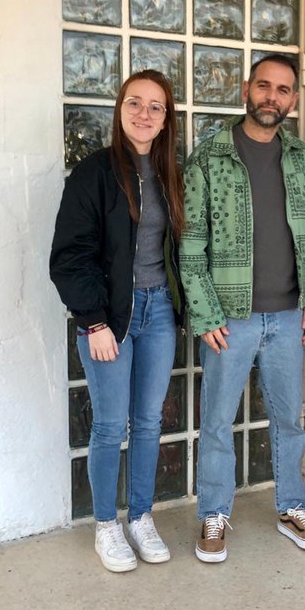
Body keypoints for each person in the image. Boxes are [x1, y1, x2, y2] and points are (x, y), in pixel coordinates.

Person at [180, 54, 305, 563]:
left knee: (289, 420)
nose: (272, 97)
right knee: (217, 421)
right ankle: (213, 514)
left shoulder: (301, 158)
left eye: (283, 90)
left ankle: (292, 507)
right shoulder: (210, 156)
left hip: (288, 316)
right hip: (230, 317)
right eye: (264, 86)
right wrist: (205, 314)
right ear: (246, 89)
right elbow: (191, 242)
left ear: (294, 99)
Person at [49, 70, 185, 573]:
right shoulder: (94, 173)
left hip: (159, 312)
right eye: (134, 103)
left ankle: (141, 516)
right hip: (110, 316)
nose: (144, 114)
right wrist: (93, 321)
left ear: (166, 119)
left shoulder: (172, 175)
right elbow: (70, 255)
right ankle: (106, 523)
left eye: (155, 106)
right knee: (110, 424)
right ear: (120, 109)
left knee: (148, 421)